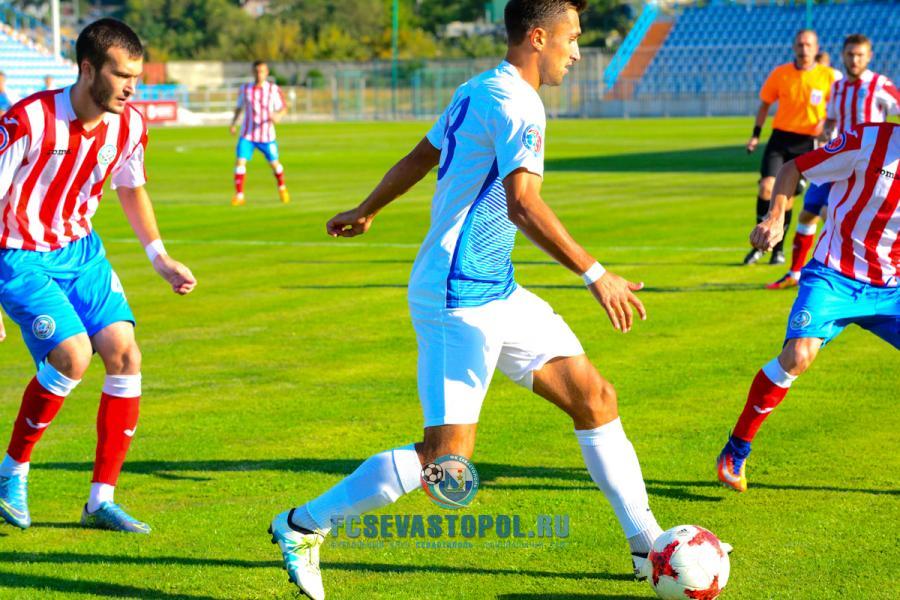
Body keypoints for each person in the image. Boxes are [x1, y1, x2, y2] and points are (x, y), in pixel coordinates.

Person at [266, 2, 731, 597]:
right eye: (571, 38)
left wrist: (368, 208)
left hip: (496, 288)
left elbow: (422, 156)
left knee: (595, 398)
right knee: (444, 463)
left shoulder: (479, 88)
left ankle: (647, 546)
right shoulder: (517, 103)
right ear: (537, 37)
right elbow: (523, 205)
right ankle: (303, 525)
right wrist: (595, 274)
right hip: (457, 295)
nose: (577, 51)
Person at [0, 18, 196, 533]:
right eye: (121, 75)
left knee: (125, 354)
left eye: (136, 76)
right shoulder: (29, 121)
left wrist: (160, 258)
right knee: (73, 356)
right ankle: (11, 471)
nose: (131, 87)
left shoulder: (128, 125)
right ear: (87, 69)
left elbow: (131, 188)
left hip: (82, 251)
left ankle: (100, 502)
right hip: (20, 254)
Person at [718, 121, 900, 493]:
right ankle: (736, 450)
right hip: (835, 275)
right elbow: (792, 168)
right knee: (797, 355)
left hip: (892, 287)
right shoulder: (869, 140)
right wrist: (774, 218)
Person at [767, 34, 900, 290]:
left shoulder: (879, 84)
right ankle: (795, 272)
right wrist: (825, 132)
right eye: (850, 54)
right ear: (843, 55)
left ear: (869, 57)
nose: (854, 60)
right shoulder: (837, 87)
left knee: (835, 217)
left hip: (868, 168)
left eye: (860, 55)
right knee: (808, 213)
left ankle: (848, 276)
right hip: (838, 160)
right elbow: (831, 119)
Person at [744, 29, 836, 266]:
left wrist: (828, 132)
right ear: (794, 47)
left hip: (808, 143)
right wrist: (755, 135)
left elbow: (837, 108)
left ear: (816, 48)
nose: (804, 49)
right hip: (780, 139)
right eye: (800, 45)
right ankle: (758, 245)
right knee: (767, 188)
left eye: (808, 45)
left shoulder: (828, 76)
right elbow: (765, 104)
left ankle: (777, 249)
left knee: (787, 198)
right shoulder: (781, 73)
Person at [229, 60, 289, 206]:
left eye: (262, 71)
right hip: (247, 134)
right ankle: (239, 195)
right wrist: (233, 123)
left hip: (266, 135)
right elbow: (239, 107)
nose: (259, 74)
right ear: (253, 72)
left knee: (275, 164)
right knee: (240, 161)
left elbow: (283, 108)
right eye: (256, 71)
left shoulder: (273, 89)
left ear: (266, 73)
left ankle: (282, 188)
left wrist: (278, 116)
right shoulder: (245, 89)